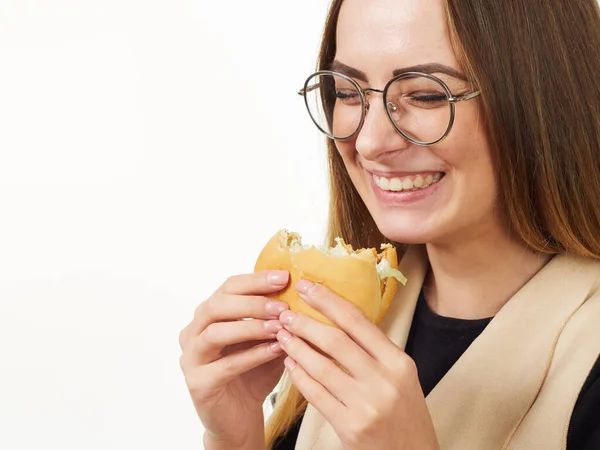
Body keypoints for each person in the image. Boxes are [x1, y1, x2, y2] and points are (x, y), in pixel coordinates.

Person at [178, 0, 600, 448]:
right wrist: (238, 439)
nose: (370, 141)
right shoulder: (331, 317)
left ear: (543, 99)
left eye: (427, 94)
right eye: (345, 91)